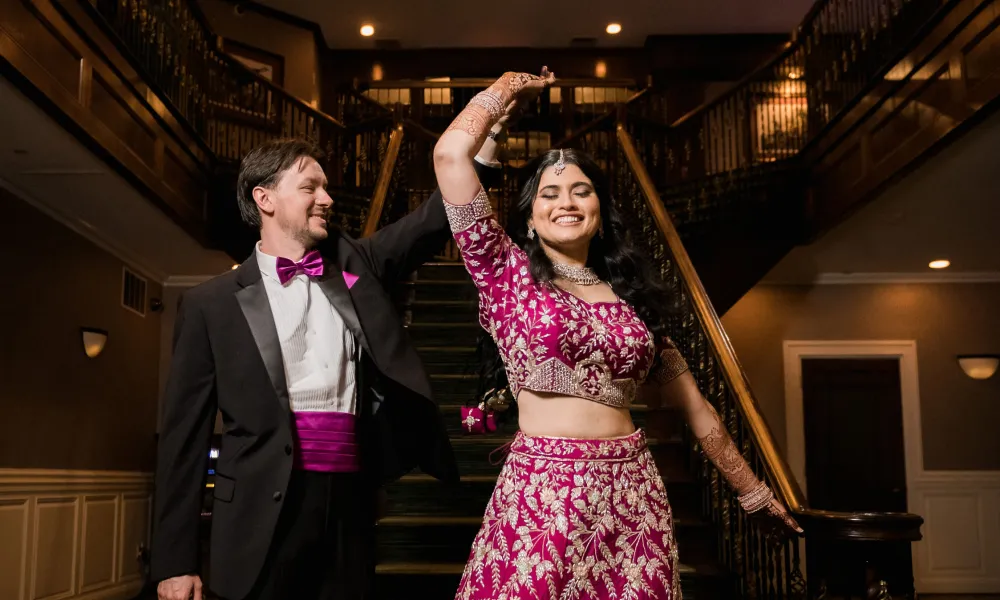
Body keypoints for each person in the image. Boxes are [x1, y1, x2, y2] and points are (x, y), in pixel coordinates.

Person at [433, 70, 803, 599]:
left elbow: (696, 408)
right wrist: (505, 89)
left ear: (600, 215)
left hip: (632, 497)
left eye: (581, 191)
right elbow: (450, 157)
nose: (567, 201)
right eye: (550, 193)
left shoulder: (633, 303)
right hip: (544, 497)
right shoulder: (505, 274)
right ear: (531, 219)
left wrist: (753, 494)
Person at [152, 137, 503, 600]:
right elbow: (183, 439)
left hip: (349, 507)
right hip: (256, 517)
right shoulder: (208, 305)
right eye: (310, 187)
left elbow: (431, 221)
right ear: (265, 198)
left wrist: (484, 145)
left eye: (326, 187)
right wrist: (175, 562)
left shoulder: (358, 265)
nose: (328, 199)